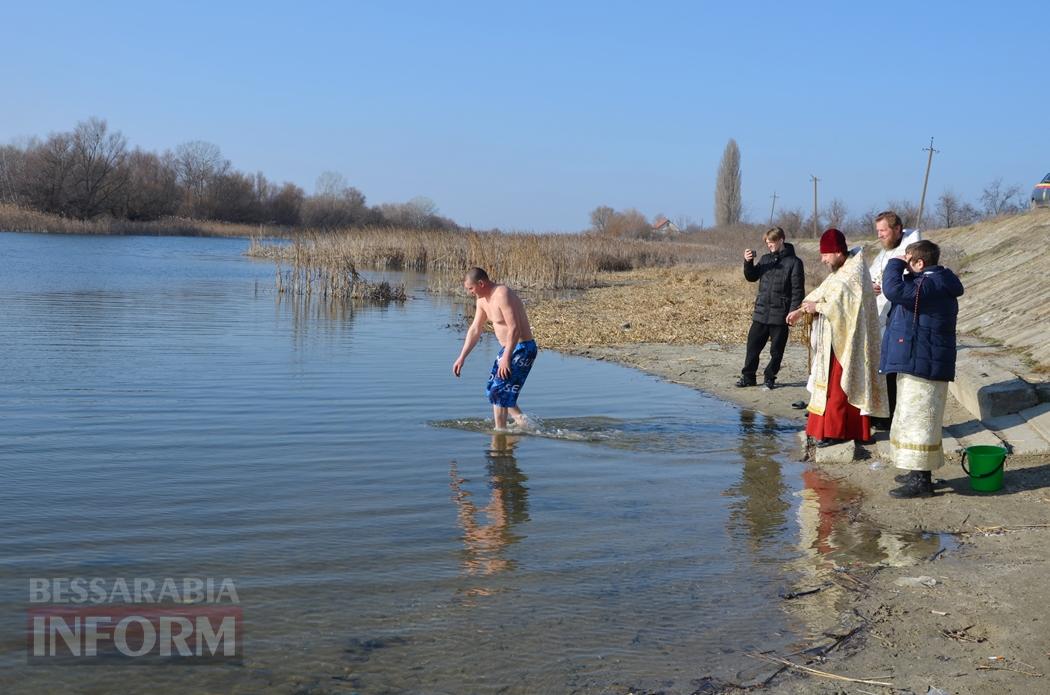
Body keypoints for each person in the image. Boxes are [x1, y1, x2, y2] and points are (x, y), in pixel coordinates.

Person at [786, 229, 888, 447]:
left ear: (838, 251)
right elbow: (823, 291)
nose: (823, 260)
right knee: (831, 386)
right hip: (835, 337)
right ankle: (831, 429)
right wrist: (801, 310)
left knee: (838, 389)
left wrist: (817, 307)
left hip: (848, 342)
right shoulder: (841, 270)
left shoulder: (853, 272)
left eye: (825, 255)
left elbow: (844, 306)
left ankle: (835, 431)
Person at [879, 240, 963, 498]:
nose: (904, 262)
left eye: (908, 259)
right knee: (909, 418)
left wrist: (894, 262)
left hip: (925, 363)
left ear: (919, 263)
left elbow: (892, 289)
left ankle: (922, 482)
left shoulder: (930, 284)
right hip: (921, 360)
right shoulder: (932, 282)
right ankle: (917, 471)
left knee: (919, 423)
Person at [452, 267, 538, 430]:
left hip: (522, 348)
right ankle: (527, 426)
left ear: (481, 283)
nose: (470, 292)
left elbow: (515, 329)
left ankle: (500, 433)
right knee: (495, 390)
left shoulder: (502, 294)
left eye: (471, 288)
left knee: (498, 392)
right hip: (508, 349)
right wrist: (462, 357)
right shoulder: (482, 301)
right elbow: (475, 329)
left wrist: (506, 357)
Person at [736, 227, 805, 390]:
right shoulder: (766, 259)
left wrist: (794, 311)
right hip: (761, 313)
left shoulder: (794, 263)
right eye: (767, 243)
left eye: (772, 242)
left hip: (780, 314)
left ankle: (769, 377)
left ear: (781, 240)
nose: (770, 246)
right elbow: (751, 277)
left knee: (776, 351)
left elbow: (798, 290)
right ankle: (748, 377)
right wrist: (748, 262)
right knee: (752, 346)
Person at [870, 211, 922, 426]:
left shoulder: (911, 250)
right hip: (881, 315)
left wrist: (887, 287)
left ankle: (891, 416)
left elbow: (911, 283)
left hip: (900, 317)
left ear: (897, 229)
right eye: (878, 231)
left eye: (883, 230)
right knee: (882, 365)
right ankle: (882, 412)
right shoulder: (884, 252)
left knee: (894, 367)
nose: (880, 235)